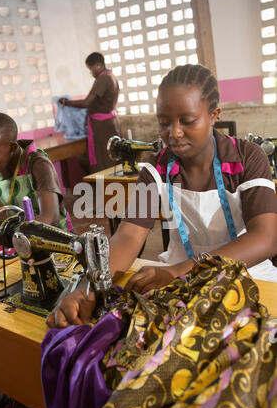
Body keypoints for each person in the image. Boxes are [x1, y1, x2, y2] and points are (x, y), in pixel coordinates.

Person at [46, 63, 277, 329]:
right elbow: (128, 236)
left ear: (214, 115)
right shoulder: (156, 170)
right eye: (164, 122)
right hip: (178, 280)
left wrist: (181, 270)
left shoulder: (247, 158)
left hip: (247, 271)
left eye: (187, 121)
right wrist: (89, 287)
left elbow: (265, 238)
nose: (174, 133)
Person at [0, 111, 71, 244]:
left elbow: (49, 220)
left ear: (12, 148)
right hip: (18, 241)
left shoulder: (38, 164)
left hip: (53, 243)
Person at [59, 52, 120, 174]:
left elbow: (87, 103)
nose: (91, 72)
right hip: (110, 123)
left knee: (104, 158)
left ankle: (107, 189)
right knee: (111, 155)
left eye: (91, 69)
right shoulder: (111, 76)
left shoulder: (103, 78)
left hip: (102, 126)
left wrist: (66, 102)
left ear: (98, 65)